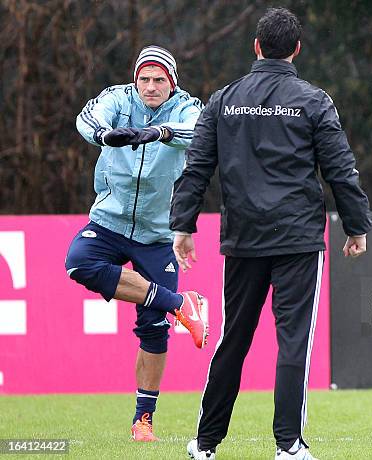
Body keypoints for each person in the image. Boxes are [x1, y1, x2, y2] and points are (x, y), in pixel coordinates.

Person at [170, 8, 372, 460]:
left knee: (233, 339)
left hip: (243, 236)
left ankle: (205, 444)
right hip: (298, 237)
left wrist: (183, 224)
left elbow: (197, 167)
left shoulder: (223, 100)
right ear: (296, 50)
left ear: (256, 47)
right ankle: (288, 446)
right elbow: (340, 170)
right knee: (293, 341)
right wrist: (356, 224)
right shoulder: (314, 99)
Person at [65, 45, 208, 442]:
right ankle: (181, 303)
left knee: (153, 329)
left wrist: (159, 132)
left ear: (172, 82)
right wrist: (105, 134)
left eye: (159, 79)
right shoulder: (117, 97)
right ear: (135, 79)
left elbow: (200, 131)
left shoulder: (184, 106)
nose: (150, 86)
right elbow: (86, 118)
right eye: (144, 78)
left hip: (157, 233)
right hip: (108, 222)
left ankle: (143, 419)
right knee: (78, 262)